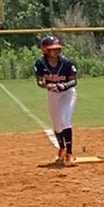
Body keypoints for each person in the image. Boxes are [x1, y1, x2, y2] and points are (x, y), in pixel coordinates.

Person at [33, 35, 78, 165]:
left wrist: (63, 85)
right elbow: (40, 81)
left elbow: (74, 81)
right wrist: (47, 85)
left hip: (68, 94)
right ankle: (62, 148)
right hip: (53, 95)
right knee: (57, 125)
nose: (56, 51)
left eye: (57, 48)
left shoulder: (67, 63)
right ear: (45, 50)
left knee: (65, 121)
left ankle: (69, 153)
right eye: (52, 49)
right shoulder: (40, 63)